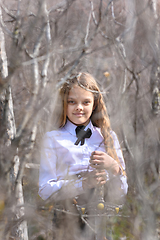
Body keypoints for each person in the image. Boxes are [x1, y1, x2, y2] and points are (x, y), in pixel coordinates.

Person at [39, 72, 128, 240]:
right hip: (67, 221)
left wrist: (113, 167)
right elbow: (45, 190)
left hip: (101, 222)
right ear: (63, 104)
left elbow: (122, 191)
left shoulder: (108, 136)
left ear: (94, 104)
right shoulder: (52, 138)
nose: (79, 107)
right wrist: (82, 183)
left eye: (85, 102)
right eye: (72, 102)